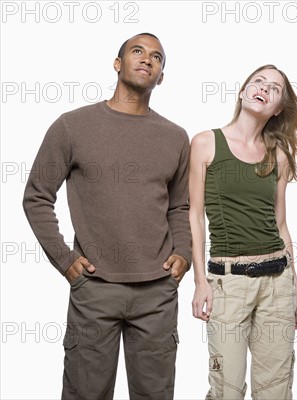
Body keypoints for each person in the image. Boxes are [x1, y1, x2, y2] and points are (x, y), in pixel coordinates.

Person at [22, 33, 191, 399]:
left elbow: (180, 205)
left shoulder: (176, 137)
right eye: (137, 51)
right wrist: (65, 261)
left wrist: (184, 254)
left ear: (161, 77)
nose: (147, 59)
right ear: (118, 64)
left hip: (157, 292)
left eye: (157, 57)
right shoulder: (72, 126)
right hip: (95, 288)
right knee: (86, 393)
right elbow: (36, 196)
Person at [189, 64, 297, 399]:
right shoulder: (205, 143)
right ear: (243, 91)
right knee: (226, 389)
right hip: (228, 283)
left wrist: (296, 291)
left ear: (278, 109)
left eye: (274, 88)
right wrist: (200, 282)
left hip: (277, 284)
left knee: (276, 389)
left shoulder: (279, 155)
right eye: (258, 82)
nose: (263, 89)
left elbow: (281, 224)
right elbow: (194, 215)